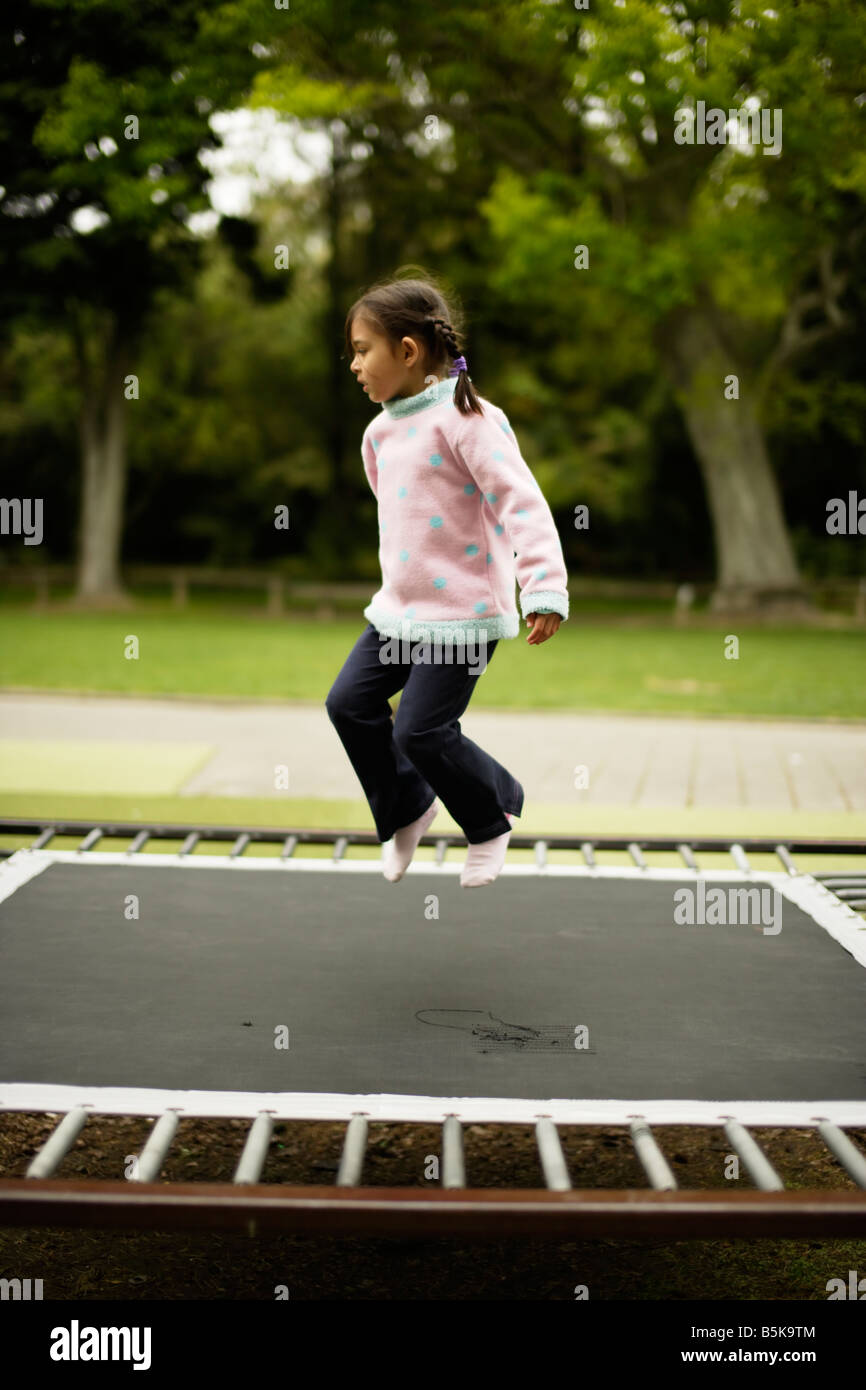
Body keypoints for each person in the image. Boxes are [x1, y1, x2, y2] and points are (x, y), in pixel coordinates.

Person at [325, 271, 569, 888]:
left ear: (407, 351)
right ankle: (407, 808)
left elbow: (522, 503)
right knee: (349, 705)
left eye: (362, 350)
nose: (353, 364)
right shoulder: (378, 433)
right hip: (400, 613)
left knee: (420, 729)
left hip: (461, 614)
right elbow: (401, 519)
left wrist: (541, 587)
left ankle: (491, 817)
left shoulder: (470, 419)